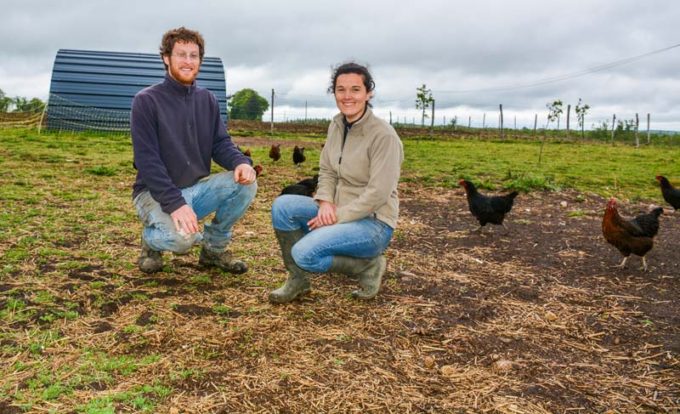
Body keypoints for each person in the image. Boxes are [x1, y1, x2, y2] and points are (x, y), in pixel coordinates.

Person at [269, 62, 403, 303]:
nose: (347, 96)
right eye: (340, 89)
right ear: (334, 93)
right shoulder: (337, 125)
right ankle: (298, 280)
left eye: (355, 89)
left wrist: (334, 217)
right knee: (283, 206)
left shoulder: (383, 136)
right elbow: (327, 170)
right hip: (337, 210)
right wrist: (325, 202)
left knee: (304, 254)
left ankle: (367, 266)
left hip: (373, 223)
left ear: (368, 93)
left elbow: (378, 193)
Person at [131, 27, 257, 274]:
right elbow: (148, 161)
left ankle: (213, 251)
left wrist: (240, 162)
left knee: (246, 184)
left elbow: (220, 143)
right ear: (166, 58)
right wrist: (175, 203)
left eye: (193, 55)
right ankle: (151, 239)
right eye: (181, 54)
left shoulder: (207, 100)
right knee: (182, 241)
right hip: (153, 194)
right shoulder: (146, 101)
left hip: (194, 190)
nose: (188, 61)